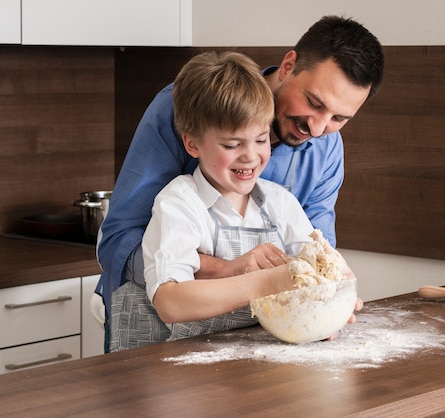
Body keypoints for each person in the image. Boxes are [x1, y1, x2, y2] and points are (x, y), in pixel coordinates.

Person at [96, 15, 384, 351]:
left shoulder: (318, 158)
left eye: (338, 119)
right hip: (155, 340)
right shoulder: (192, 105)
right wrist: (233, 272)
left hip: (245, 346)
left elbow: (317, 256)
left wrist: (326, 303)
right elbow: (119, 243)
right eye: (315, 104)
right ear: (289, 65)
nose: (318, 129)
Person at [109, 51, 322, 350]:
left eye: (261, 140)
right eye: (232, 145)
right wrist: (263, 283)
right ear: (192, 144)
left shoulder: (281, 203)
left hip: (246, 367)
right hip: (176, 371)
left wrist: (333, 300)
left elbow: (317, 269)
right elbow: (170, 301)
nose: (250, 155)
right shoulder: (180, 203)